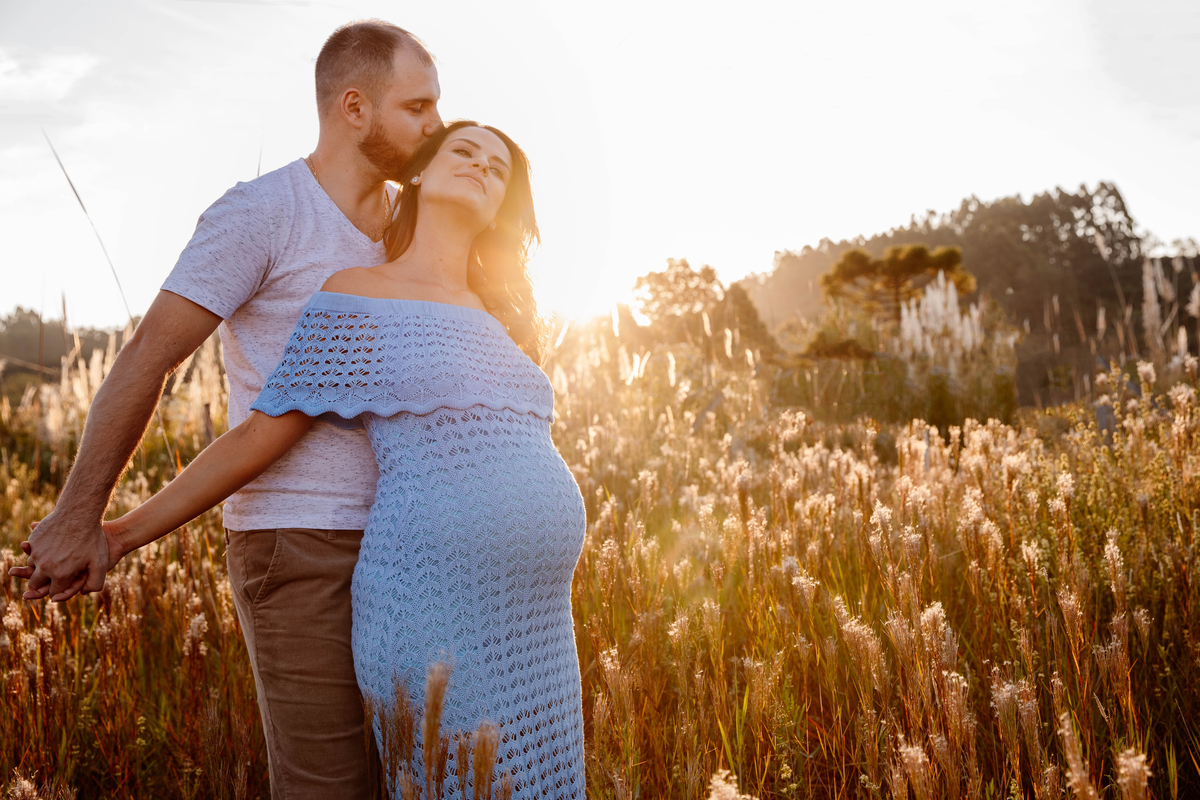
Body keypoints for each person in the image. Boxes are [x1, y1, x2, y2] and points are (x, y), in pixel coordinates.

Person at [82, 120, 587, 799]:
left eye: (498, 168)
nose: (480, 166)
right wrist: (120, 533)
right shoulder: (359, 295)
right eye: (463, 151)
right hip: (432, 602)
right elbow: (261, 435)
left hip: (536, 620)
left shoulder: (502, 316)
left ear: (503, 207)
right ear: (419, 175)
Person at [11, 20, 443, 797]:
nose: (436, 126)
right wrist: (83, 515)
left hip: (407, 545)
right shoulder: (263, 213)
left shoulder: (415, 226)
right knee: (329, 789)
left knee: (411, 781)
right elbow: (149, 357)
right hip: (297, 543)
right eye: (417, 107)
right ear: (354, 107)